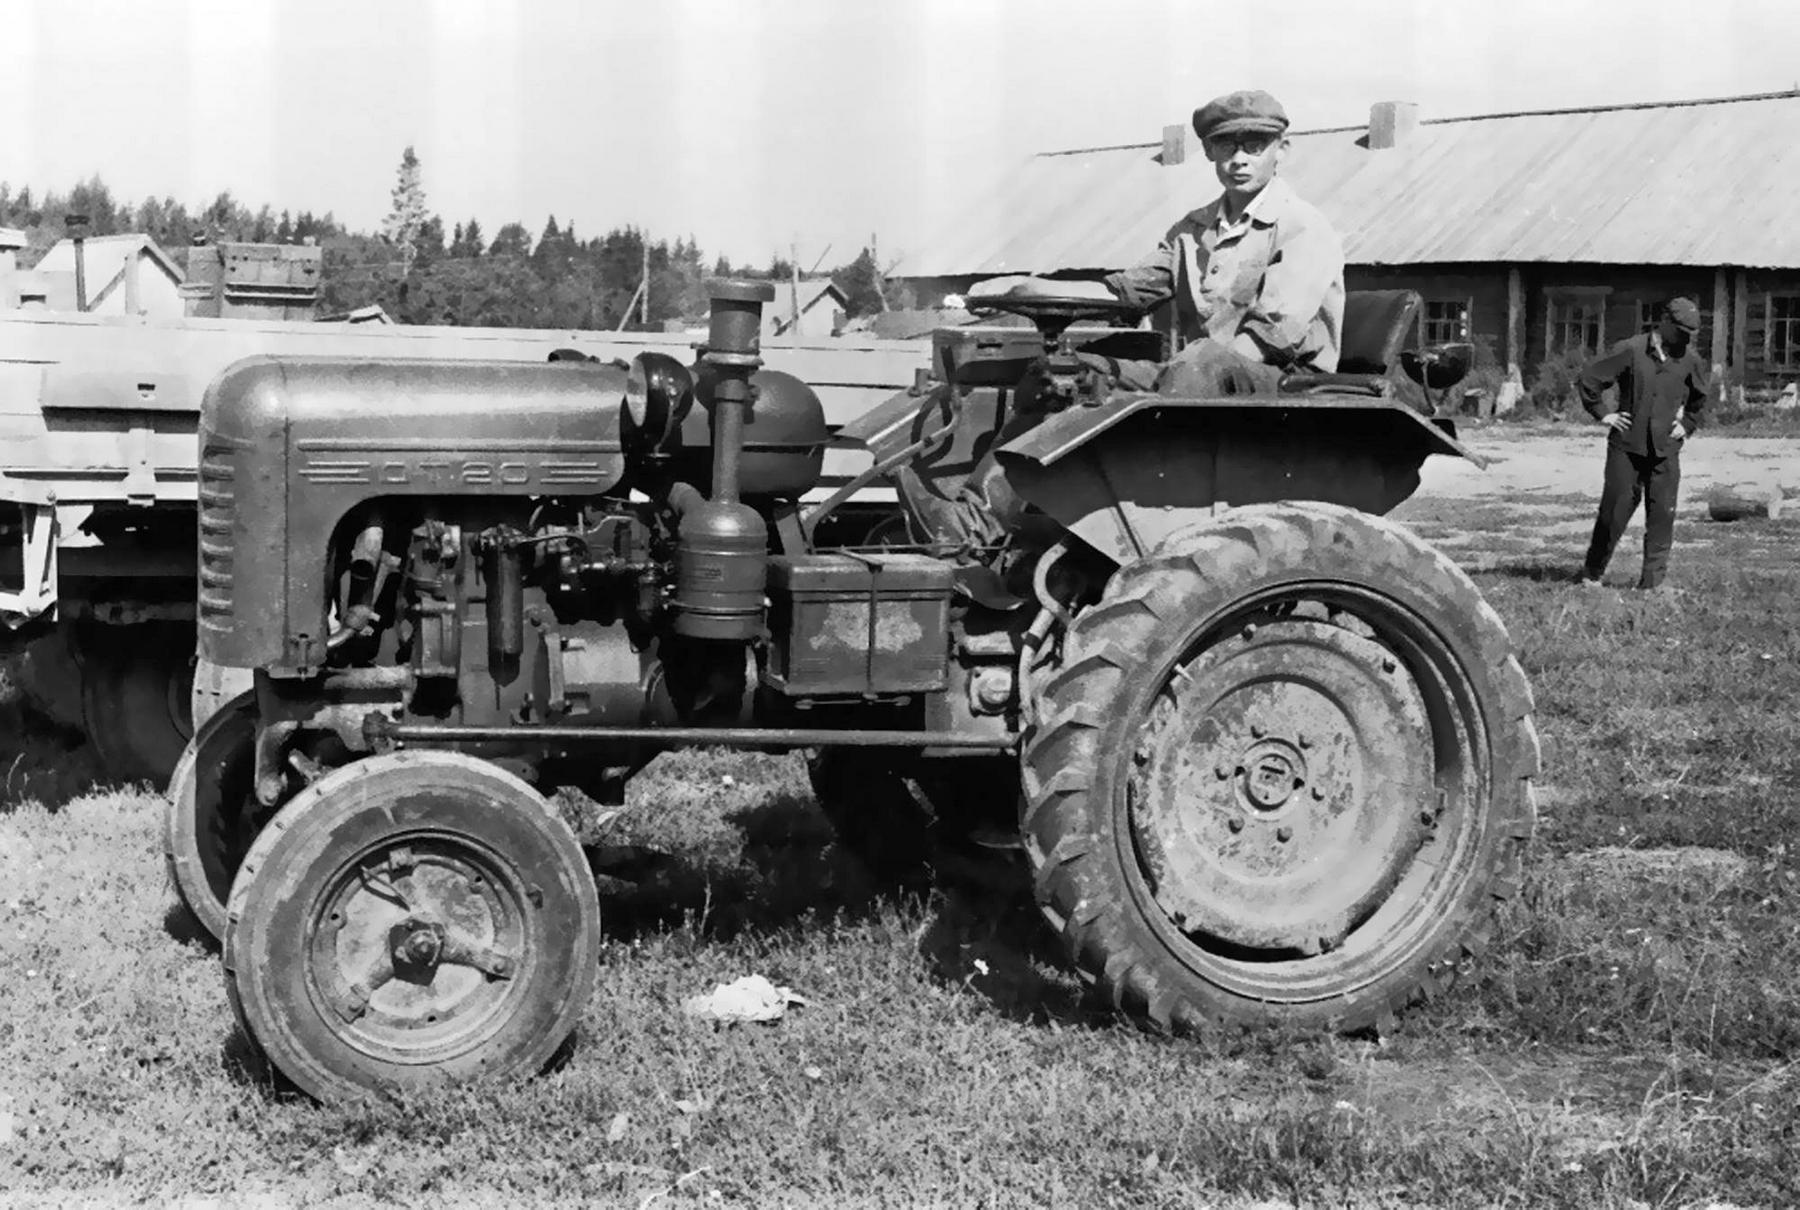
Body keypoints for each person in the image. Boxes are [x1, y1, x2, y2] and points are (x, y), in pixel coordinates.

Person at [901, 89, 1345, 549]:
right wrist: (1031, 286)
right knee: (1063, 374)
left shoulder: (1302, 226)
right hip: (1201, 376)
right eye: (1226, 145)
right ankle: (979, 522)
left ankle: (1111, 511)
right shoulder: (1194, 230)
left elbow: (1271, 337)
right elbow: (1127, 292)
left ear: (1281, 150)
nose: (1239, 158)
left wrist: (1161, 386)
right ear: (1210, 151)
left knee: (1194, 366)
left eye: (1255, 145)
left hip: (1283, 387)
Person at [1576, 296, 1710, 591]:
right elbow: (1590, 378)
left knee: (1662, 515)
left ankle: (1652, 584)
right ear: (1665, 321)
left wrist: (1687, 425)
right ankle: (1592, 574)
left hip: (1665, 450)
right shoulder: (1631, 349)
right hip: (1627, 447)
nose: (1685, 339)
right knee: (1614, 512)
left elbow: (1700, 398)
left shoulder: (1690, 360)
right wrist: (1604, 414)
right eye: (1681, 331)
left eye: (1690, 334)